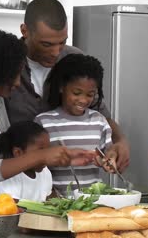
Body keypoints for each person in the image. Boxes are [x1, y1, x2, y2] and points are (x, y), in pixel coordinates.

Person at [0, 0, 130, 173]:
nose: (56, 52)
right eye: (46, 44)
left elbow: (102, 115)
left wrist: (121, 142)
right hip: (16, 180)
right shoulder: (2, 67)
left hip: (66, 180)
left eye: (62, 42)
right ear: (24, 30)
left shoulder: (74, 59)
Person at [0, 29, 94, 202]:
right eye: (12, 75)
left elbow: (12, 150)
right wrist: (42, 155)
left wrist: (63, 154)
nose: (18, 82)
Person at [35, 54, 116, 196]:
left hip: (94, 201)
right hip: (55, 202)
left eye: (90, 95)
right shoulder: (44, 122)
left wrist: (108, 160)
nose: (83, 100)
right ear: (61, 87)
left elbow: (108, 153)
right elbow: (36, 165)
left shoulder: (99, 121)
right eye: (77, 93)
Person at [0, 121, 53, 202]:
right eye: (41, 151)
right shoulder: (11, 177)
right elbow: (12, 207)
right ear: (18, 153)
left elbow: (48, 201)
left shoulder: (45, 172)